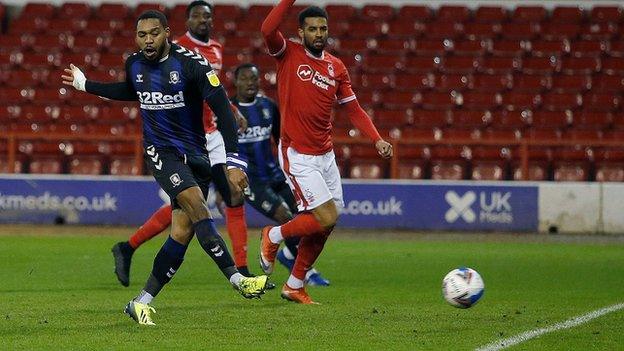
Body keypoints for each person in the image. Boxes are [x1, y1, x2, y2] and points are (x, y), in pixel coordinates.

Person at [61, 10, 268, 325]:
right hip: (161, 153)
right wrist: (86, 84)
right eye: (142, 34)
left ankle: (141, 302)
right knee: (199, 208)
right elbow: (132, 91)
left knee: (182, 232)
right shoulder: (134, 63)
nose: (147, 40)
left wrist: (233, 160)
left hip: (196, 155)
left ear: (167, 33)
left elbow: (223, 110)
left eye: (154, 33)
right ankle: (238, 279)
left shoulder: (192, 65)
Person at [111, 1, 255, 288]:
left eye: (208, 16)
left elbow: (213, 90)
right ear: (184, 22)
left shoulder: (216, 47)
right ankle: (129, 246)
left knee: (231, 196)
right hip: (182, 139)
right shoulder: (177, 49)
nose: (203, 20)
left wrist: (232, 110)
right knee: (191, 204)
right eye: (197, 16)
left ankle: (242, 268)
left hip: (210, 134)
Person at [259, 2, 393, 304]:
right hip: (298, 154)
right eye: (312, 29)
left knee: (328, 222)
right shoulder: (287, 53)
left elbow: (354, 109)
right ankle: (273, 236)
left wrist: (376, 139)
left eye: (323, 29)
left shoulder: (336, 66)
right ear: (301, 32)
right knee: (324, 216)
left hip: (325, 155)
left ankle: (294, 285)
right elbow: (267, 29)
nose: (318, 34)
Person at [231, 63, 330, 286]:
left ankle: (288, 257)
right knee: (285, 217)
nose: (250, 83)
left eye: (254, 79)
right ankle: (306, 272)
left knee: (308, 218)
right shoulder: (229, 112)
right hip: (251, 181)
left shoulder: (268, 106)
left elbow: (281, 139)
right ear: (235, 82)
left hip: (277, 175)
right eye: (245, 79)